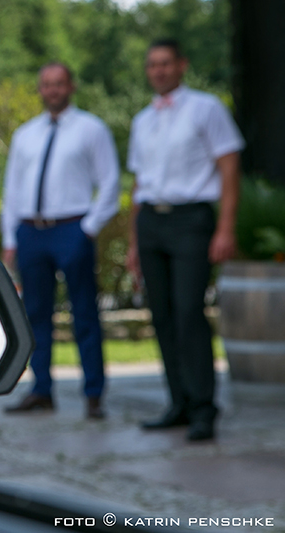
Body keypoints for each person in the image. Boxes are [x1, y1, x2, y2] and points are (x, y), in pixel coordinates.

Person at [127, 39, 244, 442]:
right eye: (152, 65)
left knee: (189, 313)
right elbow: (138, 185)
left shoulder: (206, 108)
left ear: (181, 65)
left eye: (165, 63)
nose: (158, 71)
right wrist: (132, 244)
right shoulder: (143, 119)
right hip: (151, 224)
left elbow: (229, 169)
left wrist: (225, 228)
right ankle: (177, 402)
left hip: (192, 219)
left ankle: (203, 408)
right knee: (161, 315)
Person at [0, 63, 120, 420]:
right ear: (40, 89)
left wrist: (89, 228)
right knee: (35, 314)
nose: (52, 90)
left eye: (59, 84)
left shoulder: (91, 129)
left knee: (84, 312)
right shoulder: (25, 134)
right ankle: (41, 391)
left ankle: (94, 395)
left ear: (71, 86)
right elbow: (12, 189)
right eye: (46, 85)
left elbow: (110, 182)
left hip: (72, 229)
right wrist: (11, 237)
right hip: (31, 231)